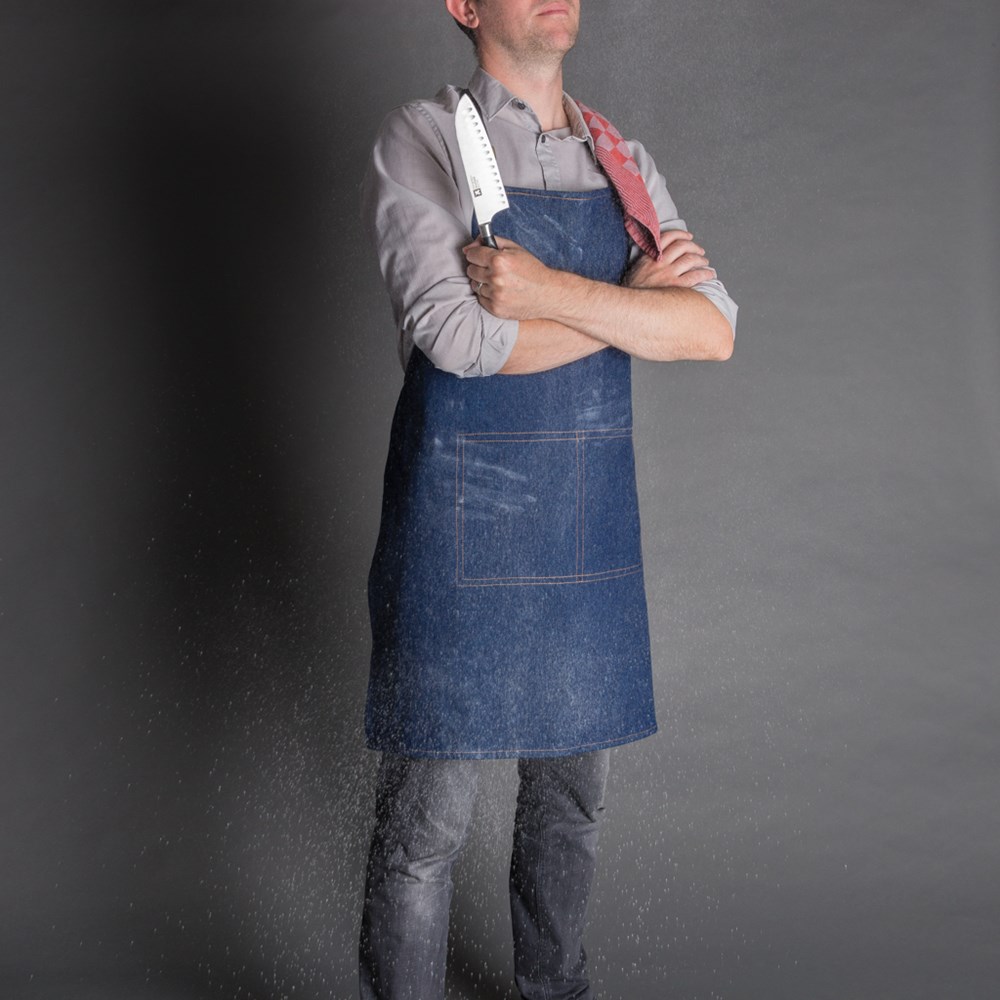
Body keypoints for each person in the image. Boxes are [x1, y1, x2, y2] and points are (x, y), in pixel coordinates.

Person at [357, 2, 737, 997]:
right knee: (425, 828)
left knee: (570, 809)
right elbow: (462, 341)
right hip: (457, 528)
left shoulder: (621, 158)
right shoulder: (426, 139)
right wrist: (631, 305)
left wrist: (545, 293)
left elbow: (710, 330)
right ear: (464, 5)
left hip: (588, 530)